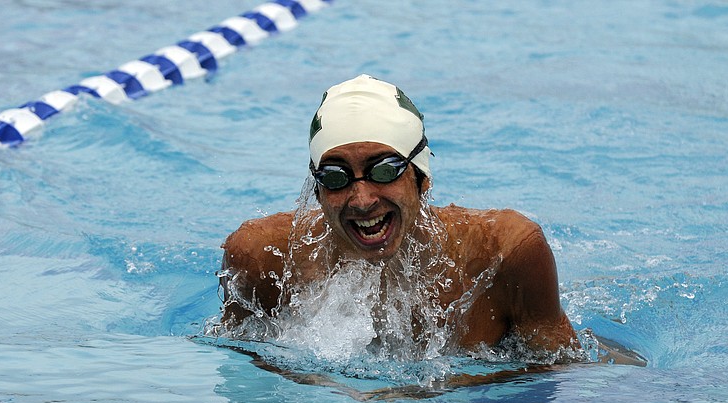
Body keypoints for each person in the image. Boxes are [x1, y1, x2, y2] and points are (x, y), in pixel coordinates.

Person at [217, 74, 579, 362]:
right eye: (335, 176)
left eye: (385, 170)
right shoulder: (260, 258)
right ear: (317, 190)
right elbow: (241, 377)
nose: (361, 200)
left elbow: (561, 377)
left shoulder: (505, 252)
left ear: (421, 177)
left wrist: (453, 390)